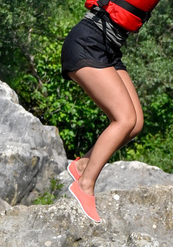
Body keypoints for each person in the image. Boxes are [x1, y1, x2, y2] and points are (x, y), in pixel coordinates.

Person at [60, 0, 160, 222]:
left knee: (135, 124)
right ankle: (85, 185)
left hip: (108, 48)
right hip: (88, 42)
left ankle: (83, 164)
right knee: (124, 119)